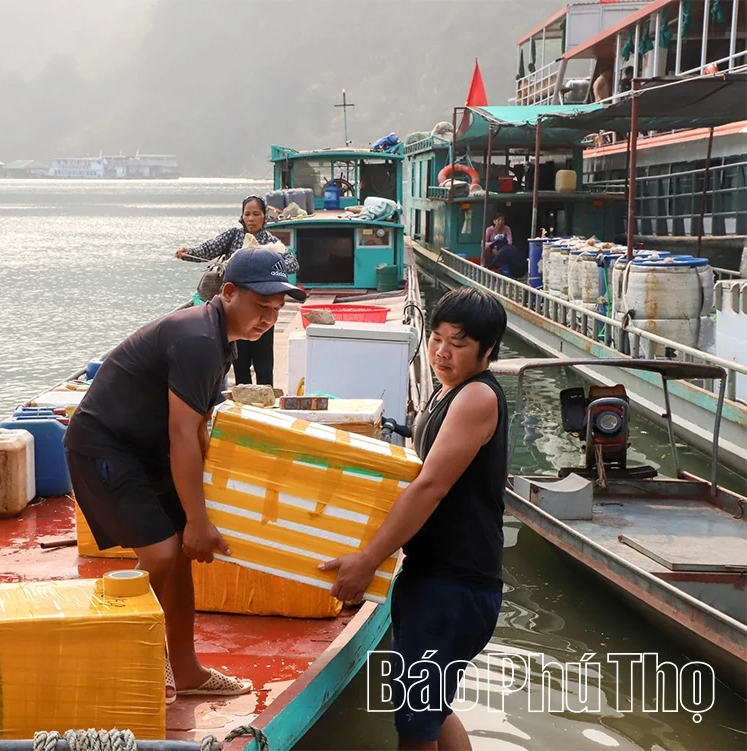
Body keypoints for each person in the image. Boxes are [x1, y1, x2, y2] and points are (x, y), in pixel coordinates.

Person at [65, 248, 307, 704]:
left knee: (177, 562)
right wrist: (196, 519)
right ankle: (115, 656)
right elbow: (182, 431)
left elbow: (197, 427)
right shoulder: (197, 338)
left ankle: (187, 670)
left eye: (277, 311)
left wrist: (205, 507)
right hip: (106, 446)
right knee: (159, 556)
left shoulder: (221, 339)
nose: (268, 319)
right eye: (261, 306)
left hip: (146, 450)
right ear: (228, 292)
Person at [320, 287, 508, 751]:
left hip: (455, 583)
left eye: (458, 344)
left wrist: (368, 558)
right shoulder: (448, 391)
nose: (442, 352)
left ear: (488, 350)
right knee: (431, 710)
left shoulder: (477, 397)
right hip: (432, 574)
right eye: (437, 338)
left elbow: (430, 486)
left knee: (416, 727)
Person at [176, 195, 299, 386]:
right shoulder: (233, 236)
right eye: (247, 214)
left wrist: (267, 260)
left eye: (256, 214)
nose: (251, 218)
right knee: (239, 362)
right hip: (235, 309)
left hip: (262, 306)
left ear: (264, 216)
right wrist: (187, 253)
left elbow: (292, 264)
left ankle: (265, 403)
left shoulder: (271, 242)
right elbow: (209, 249)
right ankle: (241, 406)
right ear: (242, 217)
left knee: (264, 363)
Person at [482, 214, 526, 278]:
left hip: (518, 272)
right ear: (494, 221)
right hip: (524, 269)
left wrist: (487, 269)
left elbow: (494, 263)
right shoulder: (489, 229)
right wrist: (493, 245)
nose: (500, 222)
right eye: (498, 220)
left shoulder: (503, 251)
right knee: (486, 248)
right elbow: (483, 243)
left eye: (502, 220)